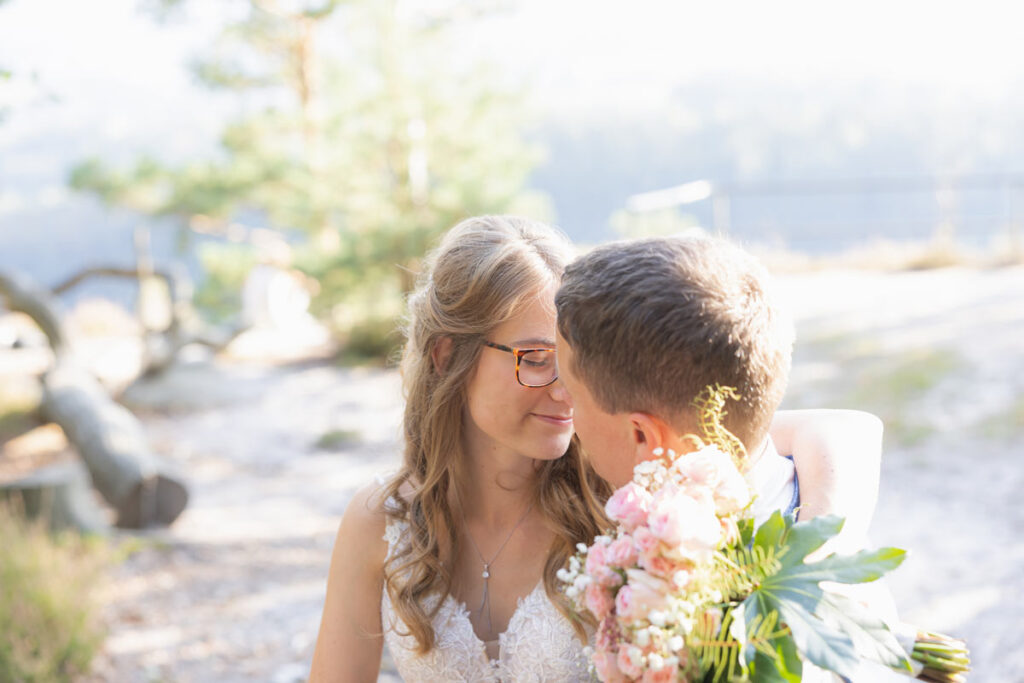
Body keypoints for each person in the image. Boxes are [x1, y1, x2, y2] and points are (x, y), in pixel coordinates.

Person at [308, 216, 885, 682]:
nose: (566, 392)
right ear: (445, 355)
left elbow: (843, 429)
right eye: (536, 359)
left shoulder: (632, 487)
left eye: (571, 362)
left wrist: (820, 558)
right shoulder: (382, 522)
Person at [554, 234, 899, 680]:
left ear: (641, 434)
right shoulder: (788, 486)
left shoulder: (751, 636)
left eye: (572, 392)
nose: (562, 406)